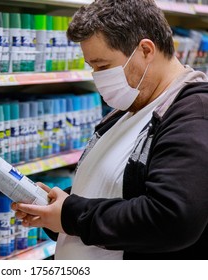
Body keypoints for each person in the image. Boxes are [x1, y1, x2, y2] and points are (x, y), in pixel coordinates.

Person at [12, 0, 208, 260]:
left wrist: (71, 214)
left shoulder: (193, 113)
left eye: (103, 66)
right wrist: (55, 208)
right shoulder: (130, 108)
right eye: (91, 67)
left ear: (146, 50)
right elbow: (113, 191)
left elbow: (171, 218)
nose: (96, 76)